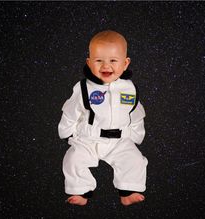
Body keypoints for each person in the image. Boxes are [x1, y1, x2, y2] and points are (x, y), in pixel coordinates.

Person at [58, 30, 148, 206]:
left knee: (135, 160)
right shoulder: (84, 88)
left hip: (120, 139)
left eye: (113, 61)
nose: (106, 66)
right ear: (89, 62)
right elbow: (71, 109)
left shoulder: (129, 89)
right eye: (99, 61)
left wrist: (137, 133)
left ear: (125, 63)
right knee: (73, 159)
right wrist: (66, 129)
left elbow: (136, 113)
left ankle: (128, 191)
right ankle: (80, 190)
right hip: (88, 138)